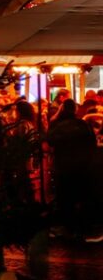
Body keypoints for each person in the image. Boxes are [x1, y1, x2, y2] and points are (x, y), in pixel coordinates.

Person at [46, 99, 97, 238]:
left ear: (62, 110)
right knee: (82, 196)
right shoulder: (83, 124)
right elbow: (93, 143)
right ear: (75, 110)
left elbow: (49, 140)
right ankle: (83, 227)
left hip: (64, 166)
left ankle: (68, 228)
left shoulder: (59, 126)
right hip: (83, 166)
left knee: (65, 198)